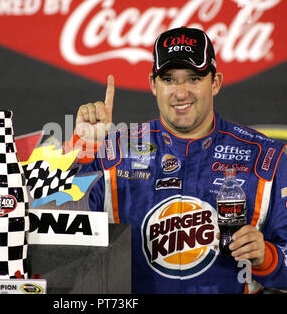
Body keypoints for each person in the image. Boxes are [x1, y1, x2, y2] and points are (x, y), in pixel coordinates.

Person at [68, 27, 287, 293]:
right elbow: (59, 240)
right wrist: (84, 148)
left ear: (215, 82)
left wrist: (267, 256)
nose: (180, 92)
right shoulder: (114, 152)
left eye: (193, 78)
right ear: (153, 84)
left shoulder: (266, 157)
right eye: (169, 79)